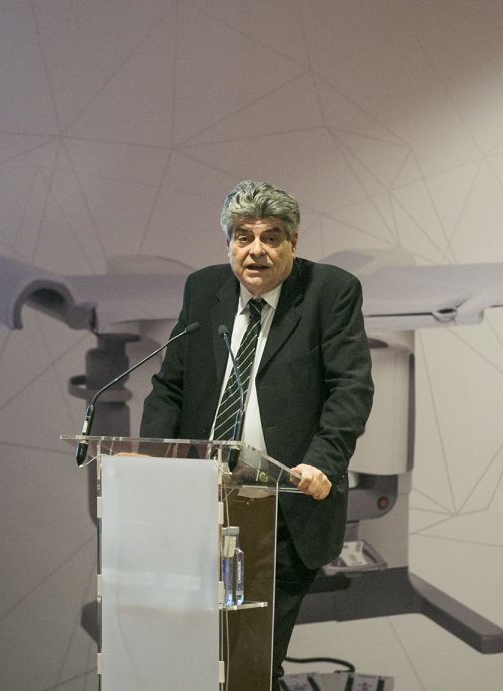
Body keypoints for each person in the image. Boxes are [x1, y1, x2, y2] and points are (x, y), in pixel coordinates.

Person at [140, 179, 374, 688]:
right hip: (200, 506)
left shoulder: (329, 291)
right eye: (243, 237)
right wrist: (151, 460)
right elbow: (170, 388)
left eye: (271, 237)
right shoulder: (204, 290)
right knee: (193, 661)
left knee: (251, 666)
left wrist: (323, 461)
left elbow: (350, 389)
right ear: (228, 243)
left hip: (282, 507)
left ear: (293, 242)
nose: (256, 250)